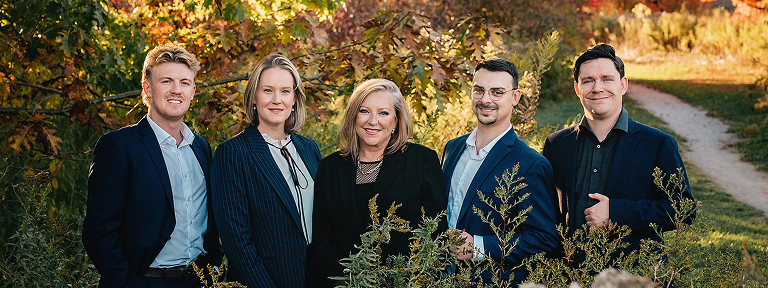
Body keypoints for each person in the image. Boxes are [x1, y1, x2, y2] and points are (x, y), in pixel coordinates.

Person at [82, 44, 223, 288]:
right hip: (144, 281)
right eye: (166, 81)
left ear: (193, 91)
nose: (176, 90)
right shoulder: (118, 147)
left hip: (198, 281)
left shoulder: (200, 147)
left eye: (185, 83)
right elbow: (99, 232)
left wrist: (214, 265)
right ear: (147, 88)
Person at [541, 44, 695, 262]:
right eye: (588, 81)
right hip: (570, 276)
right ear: (577, 89)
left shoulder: (658, 144)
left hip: (634, 276)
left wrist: (616, 213)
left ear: (623, 85)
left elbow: (682, 210)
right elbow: (547, 215)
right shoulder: (556, 144)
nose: (597, 87)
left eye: (607, 79)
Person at [311, 79, 447, 287]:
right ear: (353, 116)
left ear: (396, 120)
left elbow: (436, 233)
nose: (372, 121)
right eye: (364, 111)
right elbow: (323, 240)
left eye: (383, 113)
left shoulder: (422, 161)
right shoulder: (329, 167)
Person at [441, 58, 559, 285]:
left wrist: (479, 247)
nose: (486, 99)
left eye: (497, 92)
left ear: (515, 97)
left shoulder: (530, 164)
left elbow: (543, 238)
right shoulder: (452, 148)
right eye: (479, 90)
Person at [211, 54, 322, 287]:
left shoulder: (308, 148)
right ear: (253, 97)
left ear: (294, 99)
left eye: (285, 91)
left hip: (315, 278)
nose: (277, 100)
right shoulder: (233, 153)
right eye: (268, 90)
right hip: (266, 281)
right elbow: (236, 241)